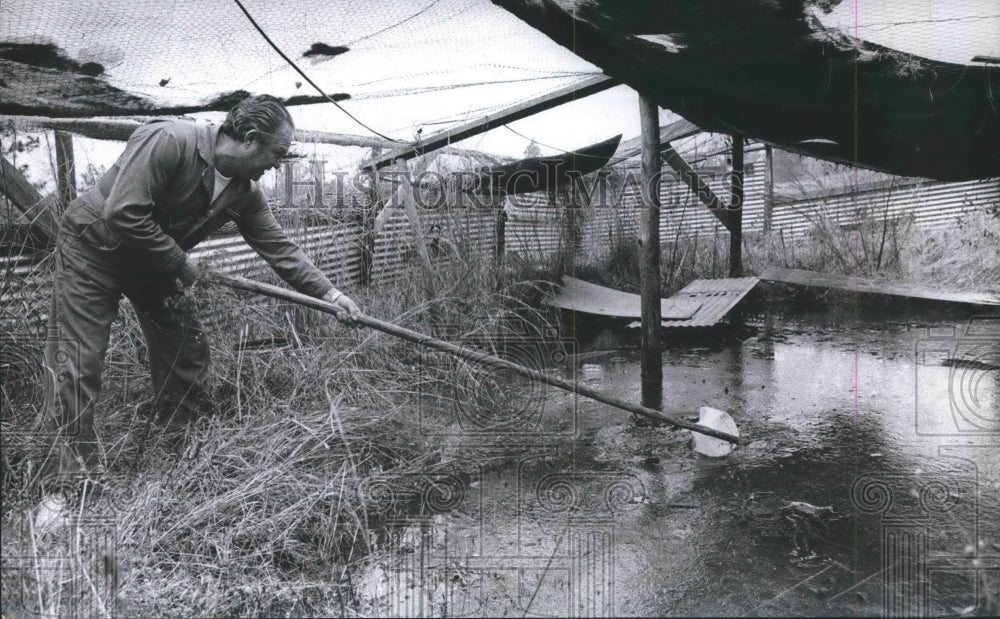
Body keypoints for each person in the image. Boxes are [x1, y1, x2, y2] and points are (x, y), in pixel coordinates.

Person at [35, 94, 361, 500]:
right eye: (277, 153)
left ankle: (182, 453)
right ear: (250, 139)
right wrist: (178, 261)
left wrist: (331, 294)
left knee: (185, 349)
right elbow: (122, 212)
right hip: (93, 246)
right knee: (77, 361)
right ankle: (69, 485)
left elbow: (279, 247)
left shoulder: (244, 193)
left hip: (153, 259)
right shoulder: (171, 140)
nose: (278, 163)